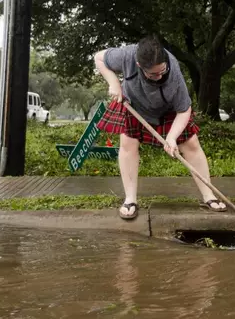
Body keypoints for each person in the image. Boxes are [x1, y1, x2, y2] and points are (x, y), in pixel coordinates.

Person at [94, 35, 227, 220]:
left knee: (191, 144)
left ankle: (209, 195)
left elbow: (184, 109)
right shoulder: (127, 55)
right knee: (128, 144)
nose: (159, 76)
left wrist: (172, 137)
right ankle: (130, 199)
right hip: (135, 104)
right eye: (153, 74)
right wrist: (114, 83)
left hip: (169, 109)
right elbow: (99, 58)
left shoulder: (173, 73)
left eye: (162, 71)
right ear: (139, 65)